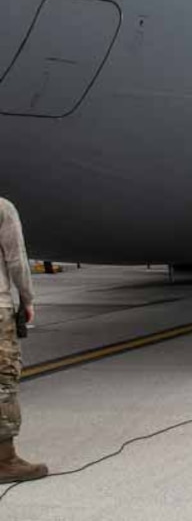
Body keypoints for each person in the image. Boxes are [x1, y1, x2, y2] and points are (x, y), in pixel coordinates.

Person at [0, 198, 48, 483]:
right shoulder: (2, 208)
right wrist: (27, 298)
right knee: (3, 381)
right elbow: (16, 259)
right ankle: (4, 460)